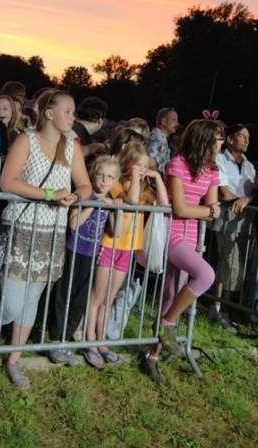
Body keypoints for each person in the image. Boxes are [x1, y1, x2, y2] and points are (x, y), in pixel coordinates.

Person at [0, 90, 91, 388]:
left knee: (31, 301)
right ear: (49, 113)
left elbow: (85, 185)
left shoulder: (72, 147)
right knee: (12, 303)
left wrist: (77, 196)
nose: (73, 116)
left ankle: (14, 360)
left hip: (52, 232)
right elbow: (8, 181)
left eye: (74, 110)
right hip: (23, 226)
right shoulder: (26, 140)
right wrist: (50, 195)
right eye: (68, 110)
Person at [140, 119, 222, 385]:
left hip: (192, 237)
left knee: (173, 292)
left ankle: (153, 356)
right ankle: (167, 326)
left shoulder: (212, 170)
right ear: (204, 141)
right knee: (206, 275)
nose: (221, 143)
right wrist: (206, 211)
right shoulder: (178, 164)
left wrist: (205, 211)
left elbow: (212, 207)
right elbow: (182, 209)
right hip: (172, 235)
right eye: (218, 139)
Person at [85, 142, 168, 369]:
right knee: (97, 296)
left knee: (109, 299)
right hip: (111, 244)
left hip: (128, 248)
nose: (142, 169)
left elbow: (164, 203)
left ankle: (101, 341)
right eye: (138, 165)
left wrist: (157, 177)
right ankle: (89, 339)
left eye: (144, 165)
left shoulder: (143, 189)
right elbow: (131, 201)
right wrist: (131, 174)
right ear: (128, 164)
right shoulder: (118, 185)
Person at [46, 155, 122, 367]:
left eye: (110, 177)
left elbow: (117, 232)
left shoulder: (109, 202)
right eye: (100, 175)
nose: (104, 181)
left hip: (91, 254)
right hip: (73, 250)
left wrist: (116, 209)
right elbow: (73, 224)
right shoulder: (86, 196)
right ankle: (55, 335)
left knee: (80, 298)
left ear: (116, 181)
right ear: (92, 175)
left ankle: (67, 336)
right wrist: (93, 204)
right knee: (64, 293)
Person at [209, 123, 256, 332]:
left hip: (245, 223)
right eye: (242, 136)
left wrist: (247, 199)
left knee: (236, 266)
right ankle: (219, 309)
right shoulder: (220, 159)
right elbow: (224, 193)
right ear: (230, 139)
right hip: (227, 220)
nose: (246, 140)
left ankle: (223, 307)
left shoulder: (248, 165)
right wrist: (243, 199)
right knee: (228, 263)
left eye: (248, 137)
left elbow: (256, 192)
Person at [147, 107, 178, 173]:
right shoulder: (158, 139)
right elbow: (150, 160)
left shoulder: (159, 138)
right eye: (174, 120)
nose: (177, 124)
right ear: (163, 121)